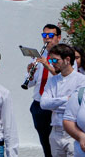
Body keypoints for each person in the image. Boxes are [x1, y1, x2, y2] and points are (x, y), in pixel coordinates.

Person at [41, 43, 85, 156]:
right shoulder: (52, 80)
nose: (52, 63)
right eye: (50, 60)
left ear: (67, 60)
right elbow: (44, 104)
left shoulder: (81, 80)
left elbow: (77, 107)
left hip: (74, 132)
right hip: (55, 131)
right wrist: (67, 99)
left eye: (55, 60)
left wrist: (54, 105)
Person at [28, 24, 62, 157]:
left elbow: (64, 78)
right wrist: (30, 74)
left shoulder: (65, 56)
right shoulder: (38, 56)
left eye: (51, 35)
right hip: (39, 104)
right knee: (45, 141)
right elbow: (31, 83)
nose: (47, 38)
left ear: (58, 38)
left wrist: (47, 65)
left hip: (55, 105)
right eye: (44, 35)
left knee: (58, 142)